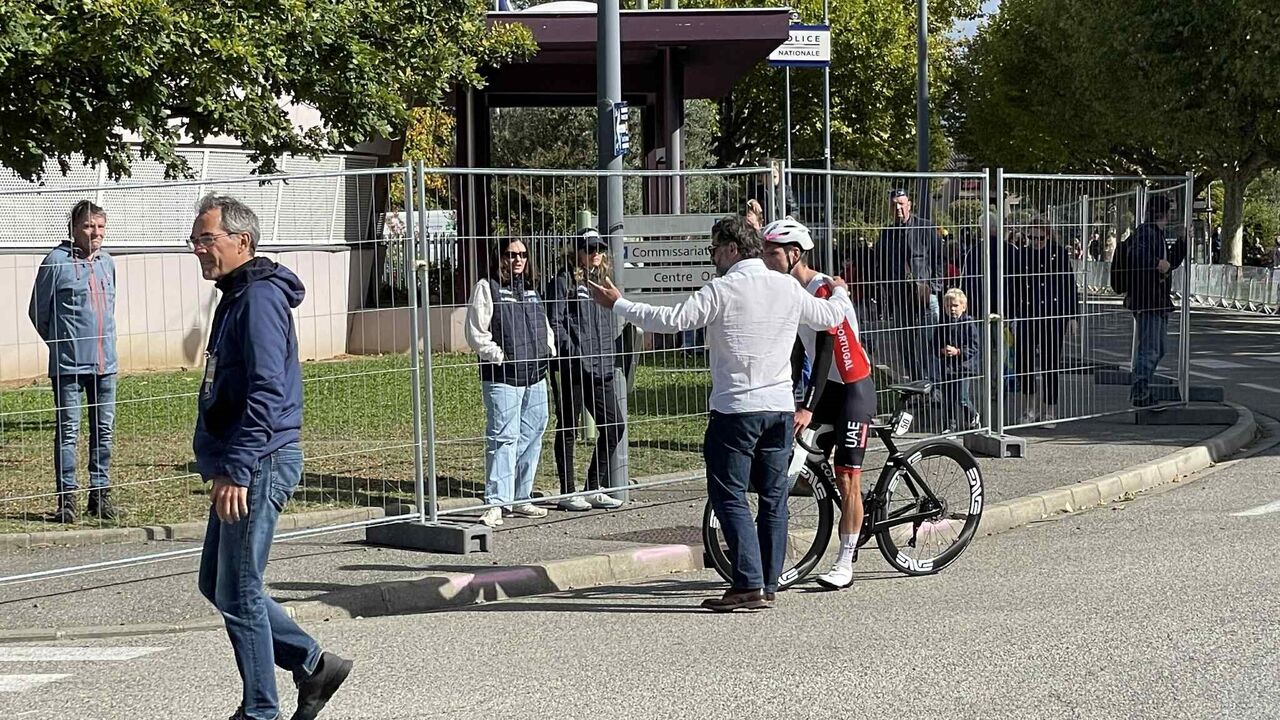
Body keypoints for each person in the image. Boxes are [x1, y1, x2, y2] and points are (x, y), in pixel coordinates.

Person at [587, 215, 850, 611]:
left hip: (736, 409)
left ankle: (748, 582)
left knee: (729, 495)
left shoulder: (722, 289)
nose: (712, 257)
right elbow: (830, 317)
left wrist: (619, 303)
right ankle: (768, 583)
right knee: (773, 499)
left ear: (731, 249)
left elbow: (673, 321)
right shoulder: (785, 287)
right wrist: (842, 292)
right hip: (778, 408)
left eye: (713, 249)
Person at [189, 194, 351, 720]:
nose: (199, 250)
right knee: (218, 583)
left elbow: (265, 390)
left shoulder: (257, 299)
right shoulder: (238, 294)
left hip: (257, 461)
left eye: (206, 239)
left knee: (239, 590)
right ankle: (312, 665)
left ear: (242, 241)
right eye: (195, 241)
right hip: (243, 460)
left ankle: (261, 710)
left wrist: (237, 467)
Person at [758, 219, 876, 591]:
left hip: (853, 388)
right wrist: (786, 393)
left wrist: (807, 405)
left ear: (794, 254)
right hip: (825, 388)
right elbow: (796, 350)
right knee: (795, 450)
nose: (765, 259)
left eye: (772, 253)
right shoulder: (788, 290)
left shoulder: (822, 289)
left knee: (846, 478)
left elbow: (826, 352)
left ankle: (845, 561)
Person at [28, 200, 122, 523]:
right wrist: (61, 344)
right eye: (88, 226)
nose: (95, 232)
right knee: (69, 431)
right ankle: (66, 499)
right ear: (73, 228)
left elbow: (110, 308)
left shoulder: (107, 263)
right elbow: (38, 313)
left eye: (100, 226)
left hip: (105, 364)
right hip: (69, 366)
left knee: (104, 430)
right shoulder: (55, 262)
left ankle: (100, 495)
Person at [465, 237, 555, 526]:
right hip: (503, 376)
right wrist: (498, 355)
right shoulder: (487, 287)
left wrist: (548, 349)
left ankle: (521, 495)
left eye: (523, 254)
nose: (518, 259)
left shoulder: (531, 290)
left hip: (535, 374)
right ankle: (496, 502)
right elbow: (476, 332)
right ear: (500, 256)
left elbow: (545, 324)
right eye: (511, 254)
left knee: (533, 432)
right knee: (503, 437)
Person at [544, 228, 626, 512]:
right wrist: (572, 352)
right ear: (576, 251)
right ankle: (568, 491)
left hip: (601, 367)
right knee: (569, 427)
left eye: (599, 249)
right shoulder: (564, 281)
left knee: (614, 426)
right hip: (574, 368)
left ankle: (594, 487)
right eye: (589, 249)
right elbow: (554, 322)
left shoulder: (602, 281)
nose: (595, 254)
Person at [1011, 224, 1079, 425]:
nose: (1036, 242)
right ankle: (1029, 408)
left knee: (1050, 364)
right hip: (1027, 314)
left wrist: (1072, 317)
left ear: (1048, 236)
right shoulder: (1022, 255)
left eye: (1040, 238)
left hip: (1052, 315)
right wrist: (1012, 316)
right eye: (1031, 238)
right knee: (1024, 363)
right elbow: (1014, 285)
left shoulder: (1058, 254)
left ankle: (1050, 410)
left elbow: (1069, 286)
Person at [875, 189, 943, 389]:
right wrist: (888, 291)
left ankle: (934, 388)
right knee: (906, 348)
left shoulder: (926, 227)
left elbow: (939, 260)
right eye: (894, 204)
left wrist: (933, 288)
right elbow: (882, 265)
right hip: (900, 298)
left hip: (924, 297)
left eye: (901, 204)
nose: (898, 208)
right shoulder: (887, 234)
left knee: (928, 347)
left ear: (909, 204)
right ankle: (916, 387)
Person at [1124, 196, 1185, 407]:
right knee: (1150, 349)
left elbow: (1170, 264)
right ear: (1164, 213)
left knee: (1158, 348)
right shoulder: (1146, 233)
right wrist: (1157, 263)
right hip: (1148, 299)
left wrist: (1182, 243)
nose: (1173, 214)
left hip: (1156, 299)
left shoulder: (1155, 234)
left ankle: (1142, 387)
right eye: (1171, 210)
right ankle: (1140, 390)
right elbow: (1139, 258)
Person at [937, 288, 980, 432]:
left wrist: (959, 352)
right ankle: (950, 426)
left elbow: (974, 346)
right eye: (948, 306)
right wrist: (941, 350)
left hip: (963, 367)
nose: (952, 309)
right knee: (948, 398)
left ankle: (972, 416)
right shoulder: (942, 324)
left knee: (962, 397)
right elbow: (934, 343)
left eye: (955, 305)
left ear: (963, 306)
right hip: (948, 367)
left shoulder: (968, 323)